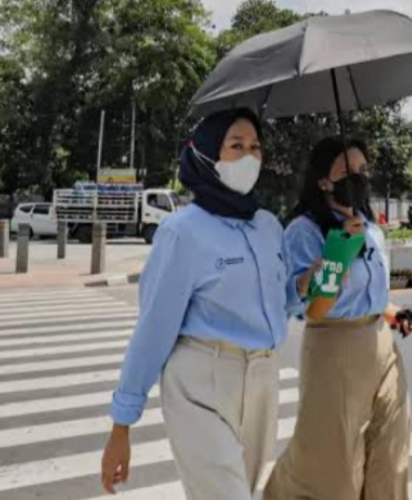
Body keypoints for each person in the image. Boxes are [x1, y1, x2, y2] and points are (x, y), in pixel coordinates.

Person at [100, 109, 314, 500]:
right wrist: (122, 425)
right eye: (235, 146)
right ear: (205, 156)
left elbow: (278, 303)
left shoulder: (268, 226)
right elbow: (153, 331)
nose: (249, 157)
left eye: (255, 147)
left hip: (263, 379)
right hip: (202, 382)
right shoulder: (182, 232)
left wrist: (304, 284)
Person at [264, 137, 412, 500]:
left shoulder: (370, 227)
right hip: (333, 351)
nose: (357, 178)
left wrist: (395, 314)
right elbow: (315, 309)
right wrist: (337, 253)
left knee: (391, 458)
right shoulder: (304, 231)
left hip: (382, 348)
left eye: (362, 170)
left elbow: (369, 298)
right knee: (333, 471)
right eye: (347, 172)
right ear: (324, 181)